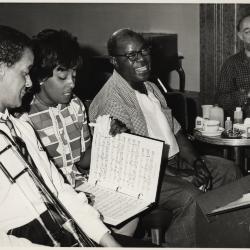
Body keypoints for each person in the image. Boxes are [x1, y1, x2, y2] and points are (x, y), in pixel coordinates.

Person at [0, 25, 152, 247]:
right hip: (48, 219)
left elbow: (71, 173)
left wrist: (107, 139)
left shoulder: (30, 125)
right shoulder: (24, 118)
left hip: (69, 203)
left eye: (74, 75)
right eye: (25, 73)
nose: (72, 83)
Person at [88, 28, 242, 247]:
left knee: (230, 172)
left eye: (144, 51)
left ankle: (223, 240)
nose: (141, 59)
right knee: (191, 195)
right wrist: (181, 175)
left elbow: (176, 130)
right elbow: (134, 159)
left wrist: (196, 162)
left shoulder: (150, 86)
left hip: (172, 163)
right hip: (140, 177)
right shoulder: (112, 100)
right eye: (132, 55)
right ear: (114, 61)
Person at [216, 14, 250, 118]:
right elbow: (221, 100)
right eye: (248, 32)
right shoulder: (231, 64)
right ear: (240, 36)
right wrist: (247, 95)